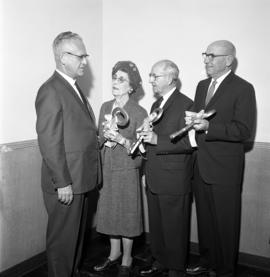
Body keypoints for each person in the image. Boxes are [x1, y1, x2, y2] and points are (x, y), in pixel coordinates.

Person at [185, 40, 256, 277]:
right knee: (205, 221)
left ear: (229, 60)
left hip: (226, 168)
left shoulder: (243, 88)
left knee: (226, 223)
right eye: (205, 54)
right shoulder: (201, 85)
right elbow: (198, 118)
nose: (206, 59)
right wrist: (190, 123)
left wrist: (208, 127)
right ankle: (207, 261)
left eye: (212, 55)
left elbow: (244, 131)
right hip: (201, 164)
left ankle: (225, 270)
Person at [35, 31, 100, 277]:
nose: (85, 61)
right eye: (81, 56)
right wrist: (62, 182)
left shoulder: (72, 88)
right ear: (64, 58)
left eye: (85, 55)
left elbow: (77, 133)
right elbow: (49, 141)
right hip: (66, 183)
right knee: (62, 244)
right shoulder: (51, 90)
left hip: (79, 179)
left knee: (75, 242)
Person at [138, 60, 194, 277]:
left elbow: (189, 143)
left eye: (155, 76)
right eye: (150, 75)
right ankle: (160, 261)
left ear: (171, 78)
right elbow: (151, 140)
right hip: (154, 175)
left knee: (175, 228)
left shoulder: (187, 105)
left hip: (174, 178)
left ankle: (176, 268)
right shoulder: (156, 106)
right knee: (158, 226)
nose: (151, 80)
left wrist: (155, 139)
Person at [93, 61, 148, 277]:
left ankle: (127, 257)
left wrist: (121, 139)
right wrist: (102, 137)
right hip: (108, 166)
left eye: (121, 79)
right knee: (109, 213)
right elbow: (97, 139)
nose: (115, 82)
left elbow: (142, 149)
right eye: (114, 77)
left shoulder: (139, 111)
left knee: (126, 214)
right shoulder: (105, 107)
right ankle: (113, 254)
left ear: (131, 86)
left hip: (126, 169)